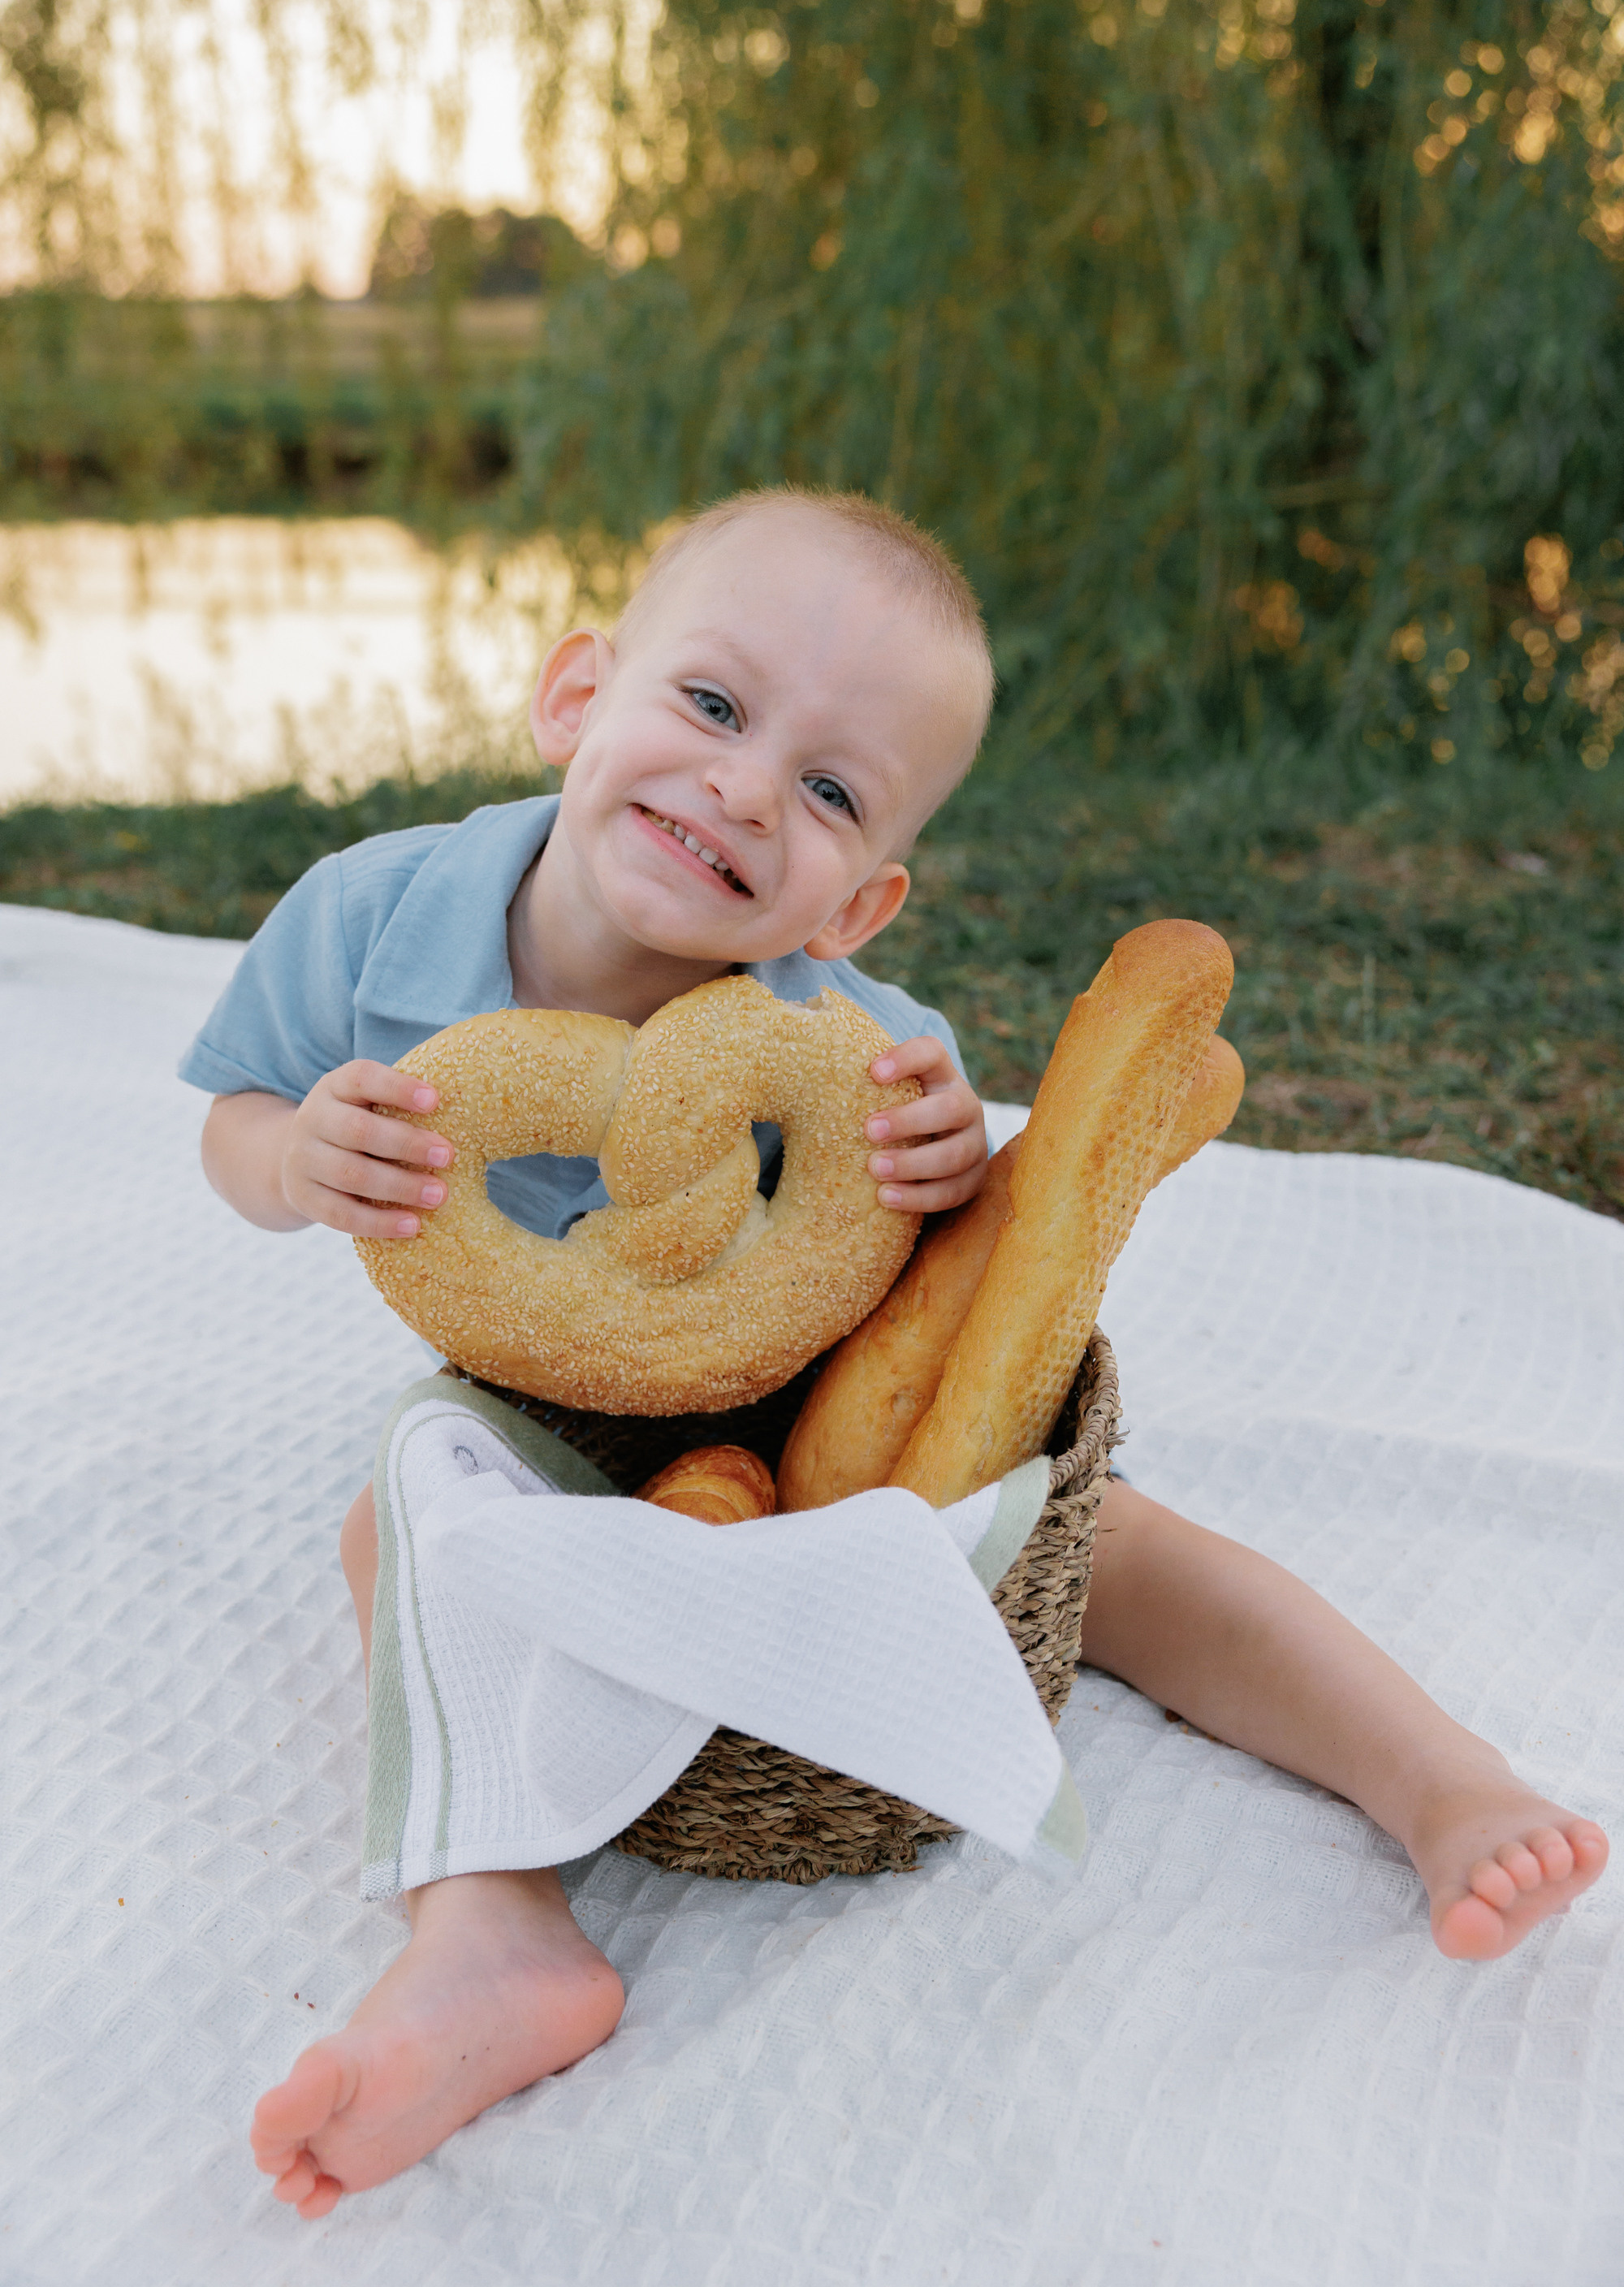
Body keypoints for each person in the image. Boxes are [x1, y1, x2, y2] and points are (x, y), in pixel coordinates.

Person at [184, 488, 1608, 2222]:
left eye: (830, 790)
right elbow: (238, 1120)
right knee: (394, 1530)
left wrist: (945, 1159)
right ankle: (491, 1931)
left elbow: (964, 1257)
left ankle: (1439, 1776)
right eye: (711, 708)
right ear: (577, 697)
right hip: (536, 1403)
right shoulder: (374, 916)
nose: (744, 788)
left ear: (856, 905)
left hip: (819, 1425)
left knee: (1116, 1545)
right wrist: (291, 1160)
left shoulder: (852, 1042)